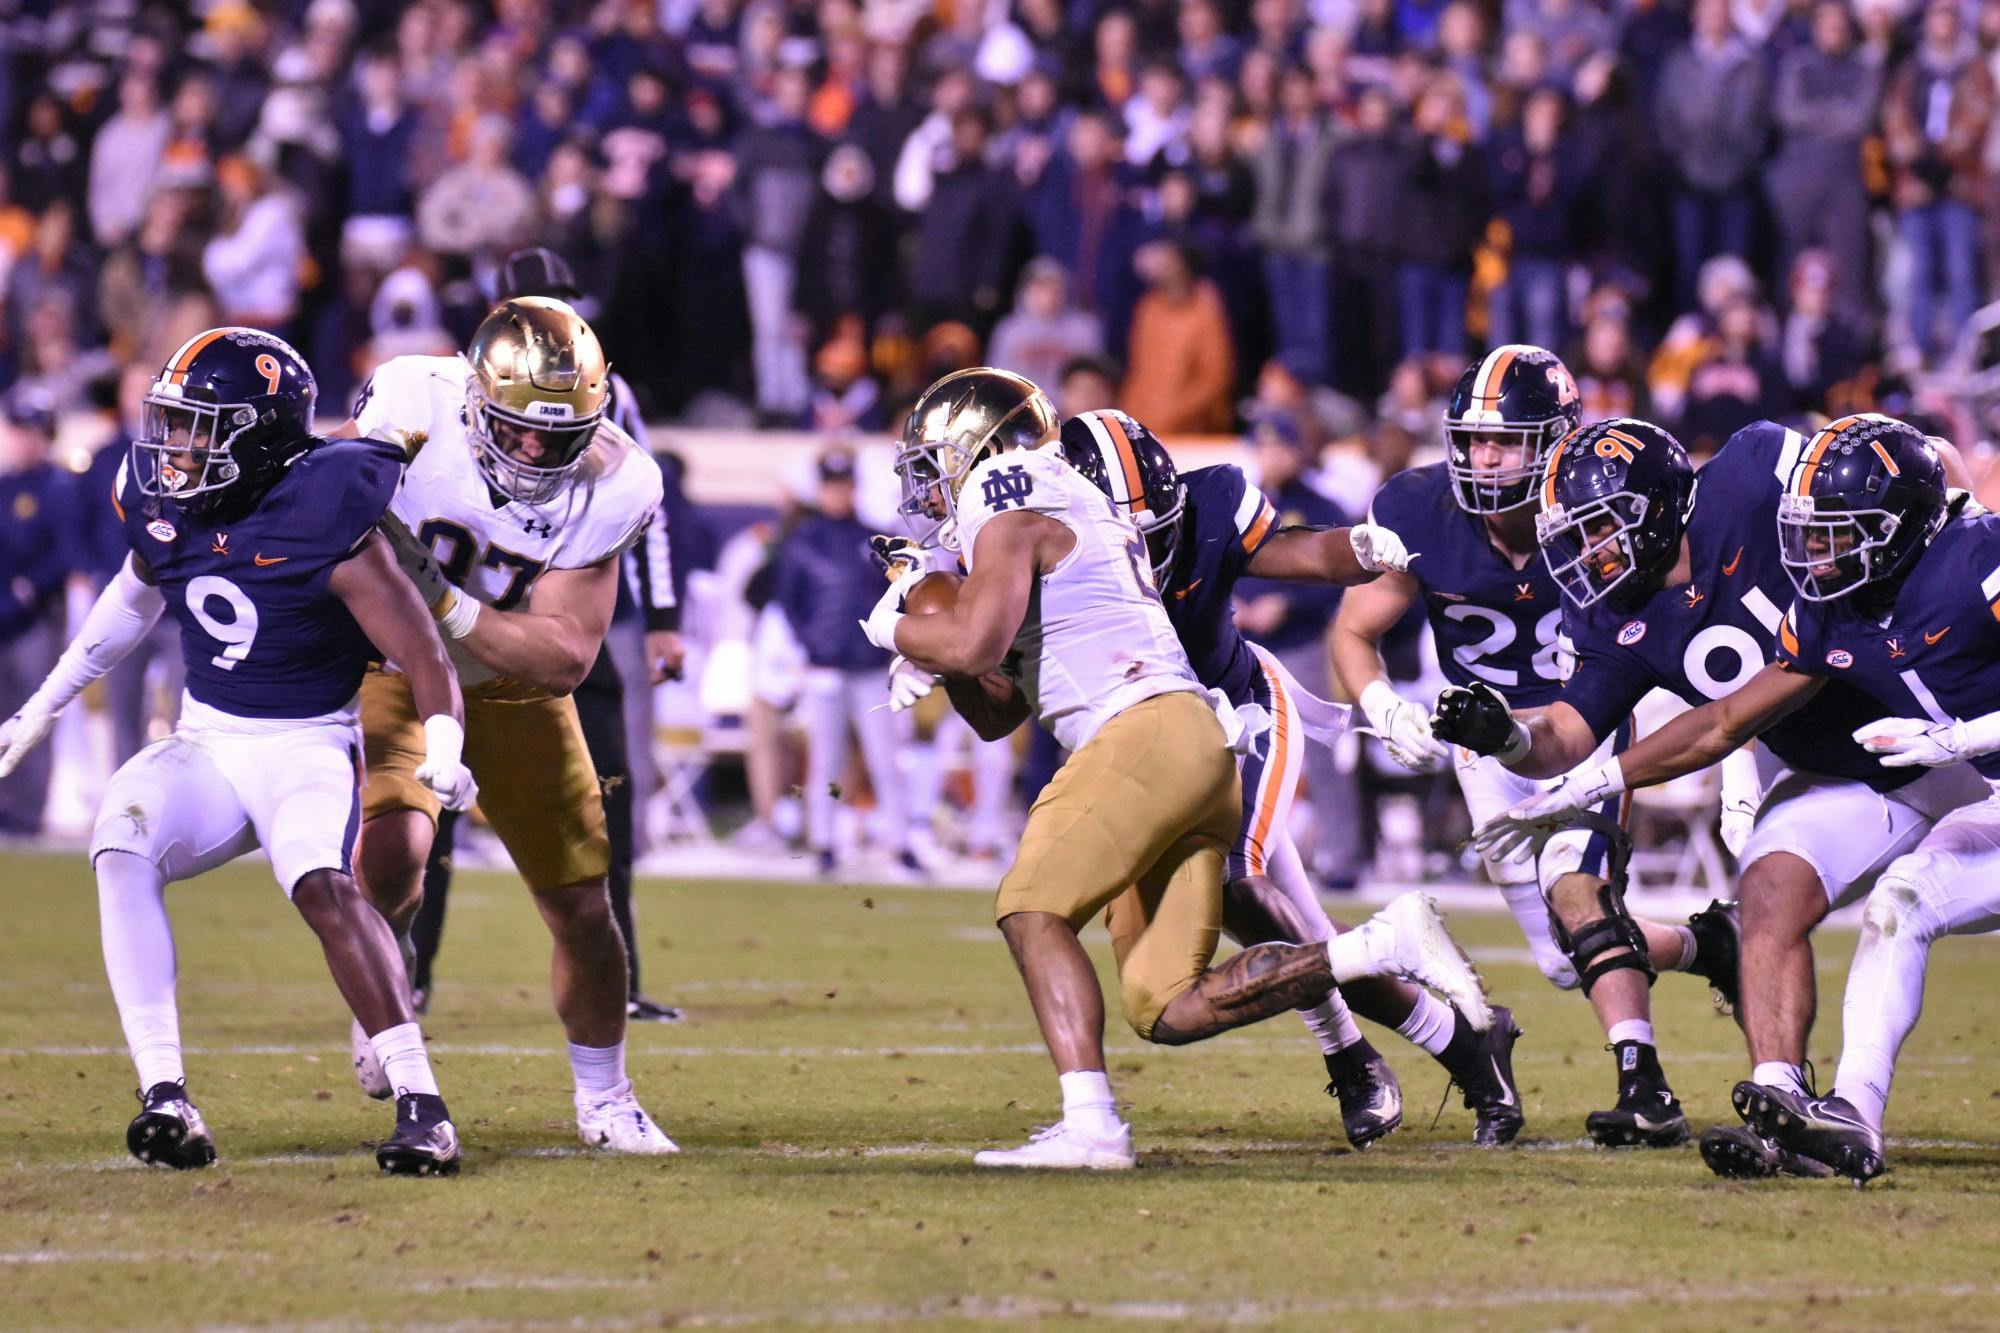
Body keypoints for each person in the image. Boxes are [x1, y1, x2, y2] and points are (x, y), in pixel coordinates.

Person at [865, 368, 1492, 1169]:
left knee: (1031, 907)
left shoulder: (1005, 483)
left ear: (975, 447)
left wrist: (903, 629)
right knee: (1164, 1004)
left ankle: (1092, 1127)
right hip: (1188, 744)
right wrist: (936, 633)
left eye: (931, 461)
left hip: (1145, 731)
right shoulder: (1053, 503)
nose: (926, 486)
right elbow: (995, 707)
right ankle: (1376, 945)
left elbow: (974, 642)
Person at [1436, 414, 1986, 1178]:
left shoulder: (1754, 471)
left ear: (1656, 508)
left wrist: (1963, 549)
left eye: (1598, 528)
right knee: (1769, 890)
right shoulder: (1614, 612)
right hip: (1849, 762)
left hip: (1955, 736)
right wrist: (1510, 738)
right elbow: (1583, 728)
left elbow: (1916, 466)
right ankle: (1782, 1101)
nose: (1583, 554)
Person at [0, 328, 473, 1174]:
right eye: (173, 423)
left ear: (257, 435)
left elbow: (425, 652)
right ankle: (166, 1096)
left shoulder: (327, 514)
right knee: (119, 844)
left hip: (306, 746)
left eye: (198, 425)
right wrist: (37, 712)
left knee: (323, 885)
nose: (175, 448)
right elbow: (122, 611)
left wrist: (443, 744)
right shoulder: (169, 506)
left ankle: (422, 1105)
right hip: (208, 742)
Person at [1054, 407, 1522, 1150]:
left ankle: (1359, 1056)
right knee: (1296, 932)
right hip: (1136, 752)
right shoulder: (1047, 553)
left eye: (1159, 528)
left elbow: (1303, 555)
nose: (1149, 550)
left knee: (1241, 885)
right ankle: (1463, 1043)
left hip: (1239, 718)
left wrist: (1362, 547)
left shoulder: (1210, 503)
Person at [1336, 347, 1740, 1147]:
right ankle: (1707, 943)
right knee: (1566, 957)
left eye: (1507, 440)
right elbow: (1353, 628)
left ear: (1557, 439)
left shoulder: (1600, 509)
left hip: (1583, 724)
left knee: (1573, 890)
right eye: (1474, 439)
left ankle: (1643, 1081)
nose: (1484, 458)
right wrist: (1381, 704)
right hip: (1485, 750)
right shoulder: (1418, 510)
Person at [335, 297, 677, 1154]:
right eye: (515, 428)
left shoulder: (620, 479)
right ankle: (391, 969)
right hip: (394, 666)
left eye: (554, 435)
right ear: (471, 399)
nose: (532, 451)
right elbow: (332, 511)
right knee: (392, 856)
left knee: (582, 904)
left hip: (512, 682)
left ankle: (606, 1099)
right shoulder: (413, 400)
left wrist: (444, 603)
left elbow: (563, 654)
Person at [404, 246, 685, 1024]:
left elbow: (647, 513)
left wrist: (661, 617)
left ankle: (616, 980)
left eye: (561, 301)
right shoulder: (436, 397)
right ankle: (410, 974)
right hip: (439, 635)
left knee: (605, 804)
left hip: (565, 617)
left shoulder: (609, 404)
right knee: (429, 809)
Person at [773, 446, 916, 875]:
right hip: (825, 667)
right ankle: (823, 843)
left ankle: (901, 842)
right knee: (824, 761)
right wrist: (813, 645)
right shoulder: (803, 540)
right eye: (831, 486)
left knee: (885, 758)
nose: (838, 494)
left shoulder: (874, 538)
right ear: (821, 489)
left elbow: (898, 597)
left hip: (870, 666)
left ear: (854, 487)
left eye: (844, 485)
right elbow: (788, 602)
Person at [0, 386, 80, 834]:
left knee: (32, 714)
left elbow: (66, 554)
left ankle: (27, 811)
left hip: (36, 619)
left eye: (32, 431)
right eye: (18, 429)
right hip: (2, 617)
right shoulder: (4, 486)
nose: (24, 440)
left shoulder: (58, 486)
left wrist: (27, 590)